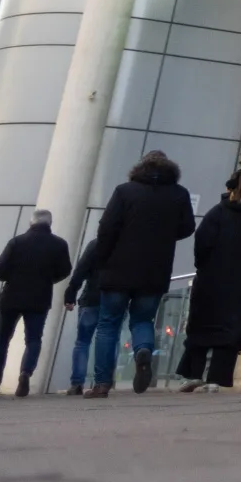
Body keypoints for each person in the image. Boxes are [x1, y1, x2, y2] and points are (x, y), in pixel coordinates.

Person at [85, 151, 195, 398]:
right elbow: (188, 227)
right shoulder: (179, 194)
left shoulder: (124, 191)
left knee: (108, 324)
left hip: (117, 269)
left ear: (140, 167)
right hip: (154, 271)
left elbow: (107, 228)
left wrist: (102, 260)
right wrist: (165, 236)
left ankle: (102, 383)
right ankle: (143, 350)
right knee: (143, 320)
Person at [177, 170, 241, 393]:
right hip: (240, 281)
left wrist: (203, 265)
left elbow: (201, 242)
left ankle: (193, 374)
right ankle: (217, 379)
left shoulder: (218, 212)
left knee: (201, 324)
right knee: (231, 328)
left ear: (230, 187)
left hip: (211, 279)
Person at [0, 209, 71, 397]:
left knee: (1, 339)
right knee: (33, 339)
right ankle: (25, 372)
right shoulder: (59, 244)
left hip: (11, 297)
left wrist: (12, 277)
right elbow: (65, 270)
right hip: (39, 298)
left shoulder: (16, 242)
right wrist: (48, 279)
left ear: (31, 223)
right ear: (50, 223)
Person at [61, 238, 104, 396]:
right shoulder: (126, 244)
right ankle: (103, 381)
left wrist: (71, 293)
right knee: (109, 339)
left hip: (91, 298)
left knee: (82, 342)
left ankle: (77, 383)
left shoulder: (96, 244)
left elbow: (81, 269)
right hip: (115, 298)